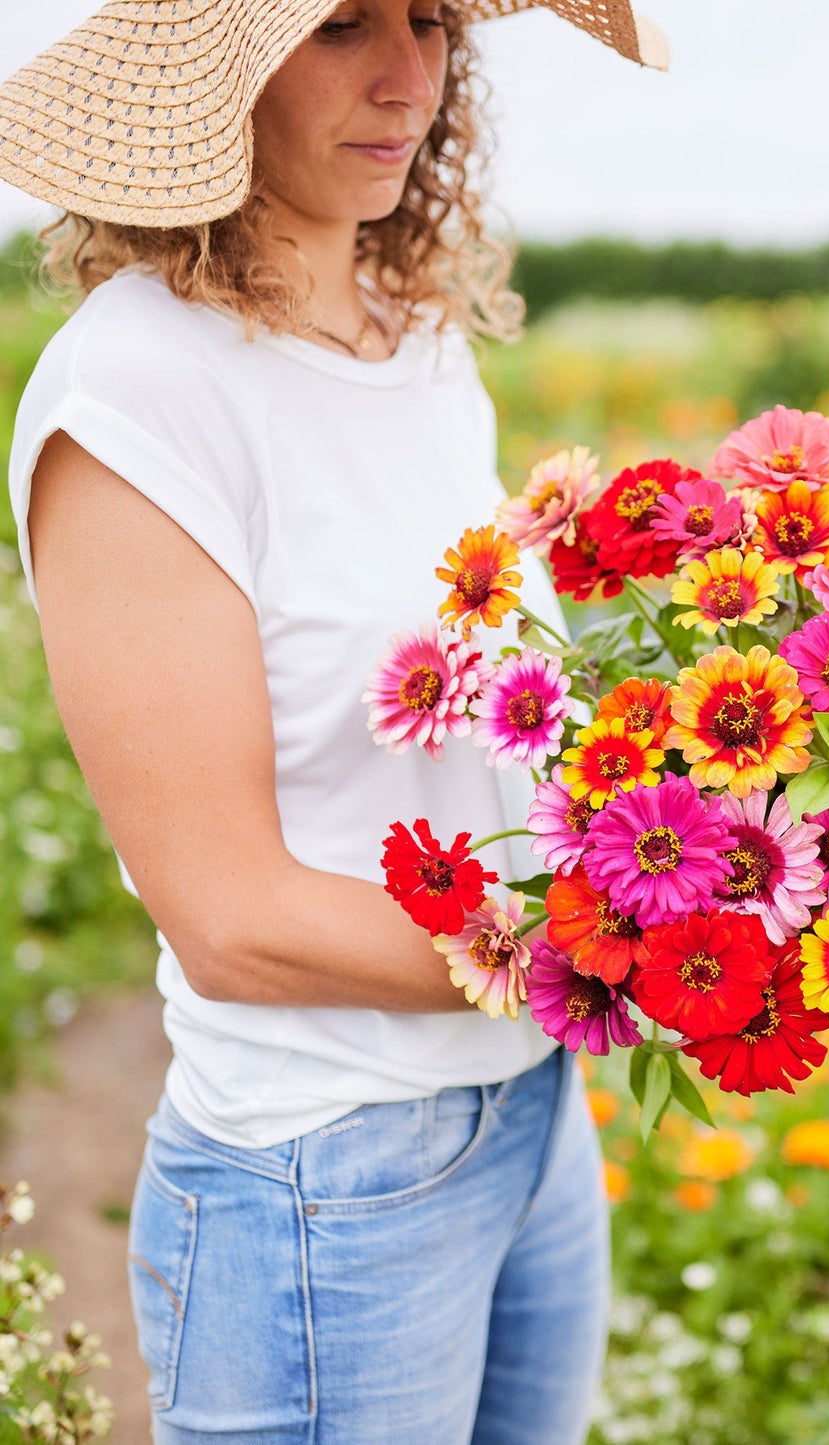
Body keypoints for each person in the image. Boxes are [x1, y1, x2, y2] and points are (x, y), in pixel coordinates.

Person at [0, 2, 667, 1440]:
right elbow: (229, 912)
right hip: (326, 1173)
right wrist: (613, 952)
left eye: (432, 21)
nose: (407, 76)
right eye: (343, 24)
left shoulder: (416, 339)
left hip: (526, 1115)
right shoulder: (140, 393)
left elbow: (489, 717)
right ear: (209, 81)